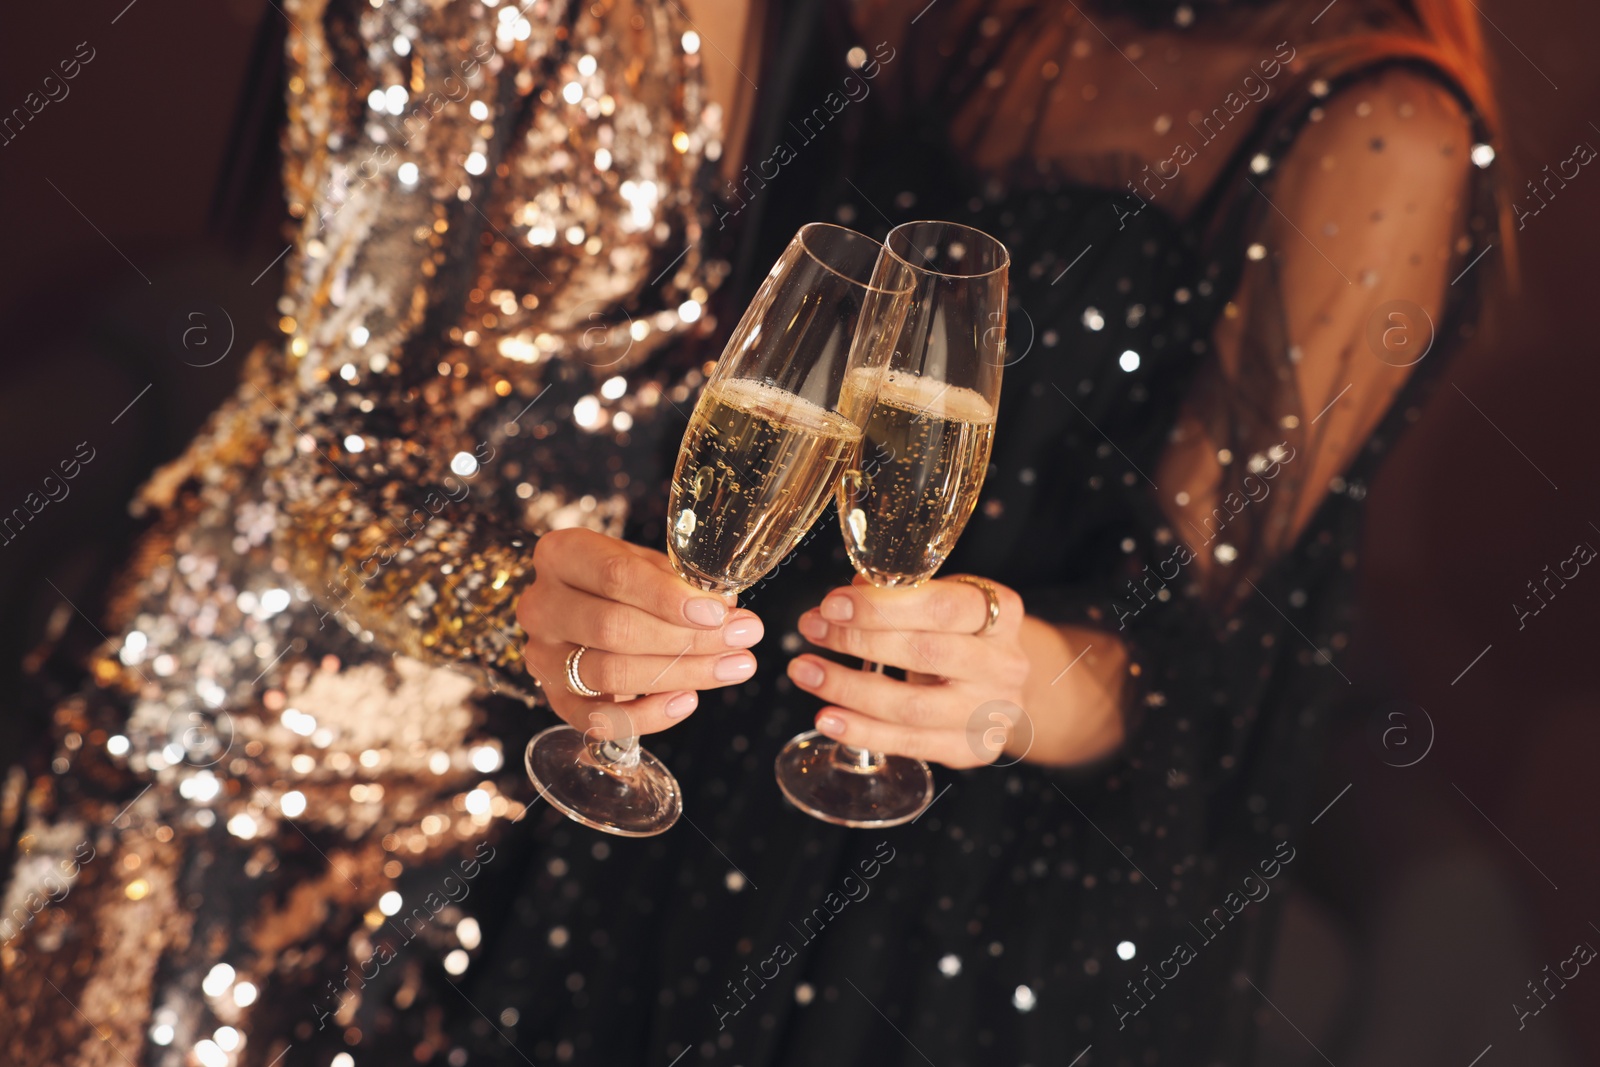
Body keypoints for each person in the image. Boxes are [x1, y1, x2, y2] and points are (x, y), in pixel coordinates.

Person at [0, 0, 1501, 1063]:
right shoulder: (995, 29)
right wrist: (511, 609)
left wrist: (1015, 679)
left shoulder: (1383, 127)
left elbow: (1207, 664)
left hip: (941, 898)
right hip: (452, 780)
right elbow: (318, 437)